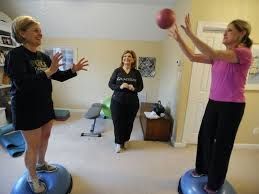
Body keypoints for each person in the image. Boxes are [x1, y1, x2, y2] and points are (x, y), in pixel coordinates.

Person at [4, 16, 88, 193]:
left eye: (40, 30)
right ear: (22, 33)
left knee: (45, 137)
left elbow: (58, 76)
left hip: (45, 104)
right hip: (27, 108)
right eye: (35, 30)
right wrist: (48, 72)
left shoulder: (42, 56)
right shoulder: (14, 55)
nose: (40, 33)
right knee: (32, 146)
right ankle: (32, 176)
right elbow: (22, 84)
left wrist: (73, 70)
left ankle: (41, 164)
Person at [169, 14, 252, 193]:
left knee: (222, 145)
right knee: (205, 136)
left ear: (242, 33)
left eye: (229, 30)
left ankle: (214, 185)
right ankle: (202, 169)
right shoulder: (220, 57)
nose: (225, 34)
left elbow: (213, 53)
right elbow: (192, 57)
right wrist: (179, 40)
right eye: (225, 30)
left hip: (232, 106)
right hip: (213, 102)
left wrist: (190, 34)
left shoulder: (243, 53)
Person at [108, 50, 143, 153]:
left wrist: (134, 88)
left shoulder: (136, 73)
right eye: (125, 56)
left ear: (133, 59)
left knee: (129, 123)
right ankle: (118, 143)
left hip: (132, 102)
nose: (127, 58)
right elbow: (110, 84)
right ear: (122, 59)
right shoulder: (117, 71)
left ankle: (126, 140)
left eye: (129, 56)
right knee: (117, 122)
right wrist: (120, 86)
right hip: (117, 101)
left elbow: (141, 87)